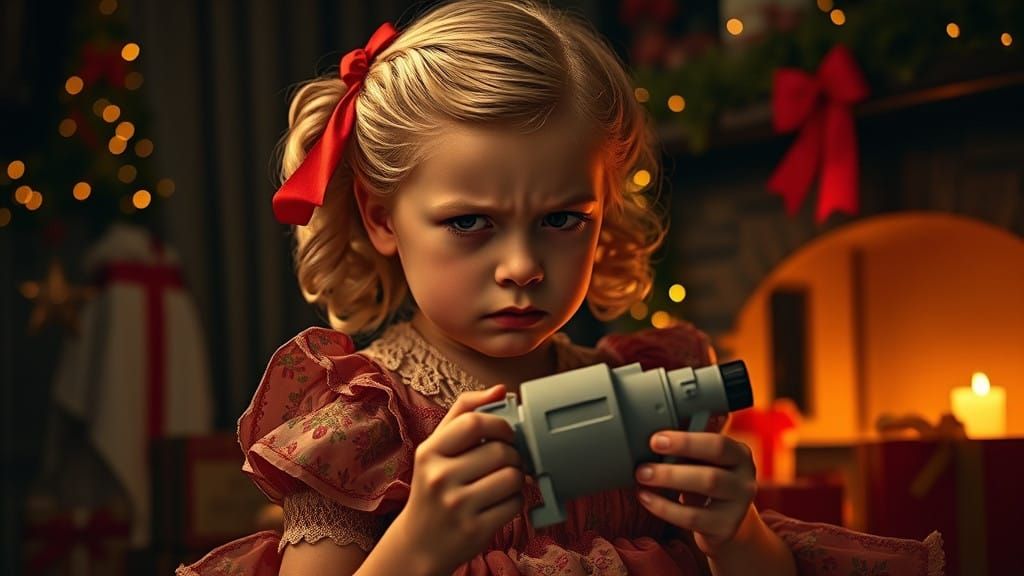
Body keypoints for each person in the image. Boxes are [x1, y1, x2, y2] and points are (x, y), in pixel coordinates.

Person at [177, 1, 943, 574]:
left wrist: (737, 536)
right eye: (471, 223)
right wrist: (415, 547)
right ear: (381, 218)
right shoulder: (358, 428)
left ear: (604, 212)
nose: (521, 266)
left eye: (562, 220)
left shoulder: (650, 388)